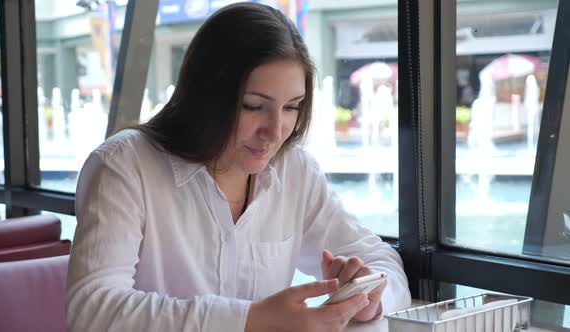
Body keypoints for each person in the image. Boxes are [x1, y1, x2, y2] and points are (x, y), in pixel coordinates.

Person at [65, 3, 410, 331]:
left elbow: (383, 263)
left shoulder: (294, 171)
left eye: (292, 107)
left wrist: (367, 299)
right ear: (205, 96)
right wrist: (250, 320)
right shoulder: (124, 167)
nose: (275, 132)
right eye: (253, 106)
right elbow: (93, 311)